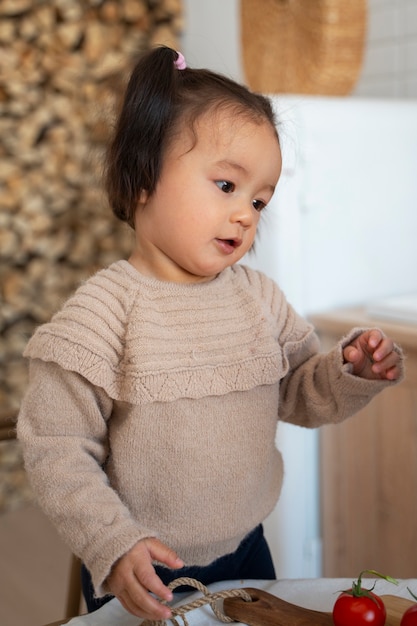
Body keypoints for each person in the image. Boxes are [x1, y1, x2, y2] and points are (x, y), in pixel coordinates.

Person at [17, 46, 404, 621]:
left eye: (259, 200)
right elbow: (57, 451)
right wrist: (111, 542)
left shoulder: (259, 299)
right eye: (227, 186)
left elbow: (298, 392)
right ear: (142, 177)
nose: (247, 213)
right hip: (142, 564)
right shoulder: (101, 315)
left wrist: (349, 371)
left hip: (250, 548)